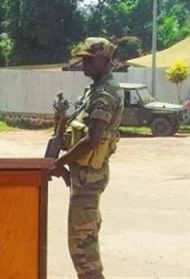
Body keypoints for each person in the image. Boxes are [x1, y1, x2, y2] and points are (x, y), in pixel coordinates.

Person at [48, 37, 123, 279]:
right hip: (84, 175)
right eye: (83, 59)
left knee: (82, 246)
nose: (84, 65)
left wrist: (59, 164)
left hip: (89, 178)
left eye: (89, 60)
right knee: (84, 239)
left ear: (106, 60)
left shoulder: (106, 92)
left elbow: (92, 139)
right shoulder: (96, 89)